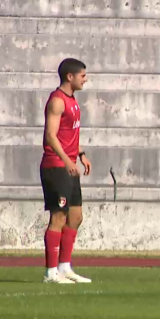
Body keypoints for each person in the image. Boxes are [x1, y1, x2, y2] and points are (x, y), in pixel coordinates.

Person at [40, 58, 92, 284]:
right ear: (70, 77)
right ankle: (51, 272)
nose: (85, 79)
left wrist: (80, 154)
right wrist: (67, 160)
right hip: (56, 166)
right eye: (82, 75)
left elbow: (68, 134)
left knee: (76, 216)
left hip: (69, 164)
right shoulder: (57, 101)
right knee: (58, 216)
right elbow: (51, 136)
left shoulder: (73, 101)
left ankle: (65, 267)